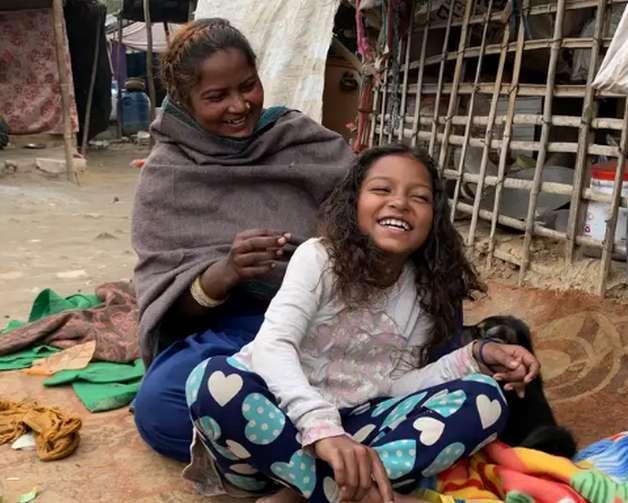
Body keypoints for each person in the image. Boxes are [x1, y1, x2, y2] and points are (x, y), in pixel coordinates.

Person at [184, 144, 541, 502]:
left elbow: (397, 384)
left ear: (434, 217)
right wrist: (322, 431)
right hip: (277, 431)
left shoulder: (425, 289)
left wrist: (475, 356)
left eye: (419, 197)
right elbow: (272, 346)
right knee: (212, 380)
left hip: (358, 432)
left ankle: (310, 494)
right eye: (382, 190)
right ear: (354, 203)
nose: (400, 203)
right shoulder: (318, 257)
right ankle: (365, 495)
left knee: (485, 397)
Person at [131, 18, 356, 462]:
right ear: (185, 100)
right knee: (163, 409)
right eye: (216, 97)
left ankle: (288, 448)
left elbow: (366, 211)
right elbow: (168, 308)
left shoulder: (301, 140)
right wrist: (224, 274)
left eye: (248, 86)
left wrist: (322, 257)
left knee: (438, 342)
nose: (239, 105)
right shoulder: (168, 175)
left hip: (330, 320)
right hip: (237, 334)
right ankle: (345, 440)